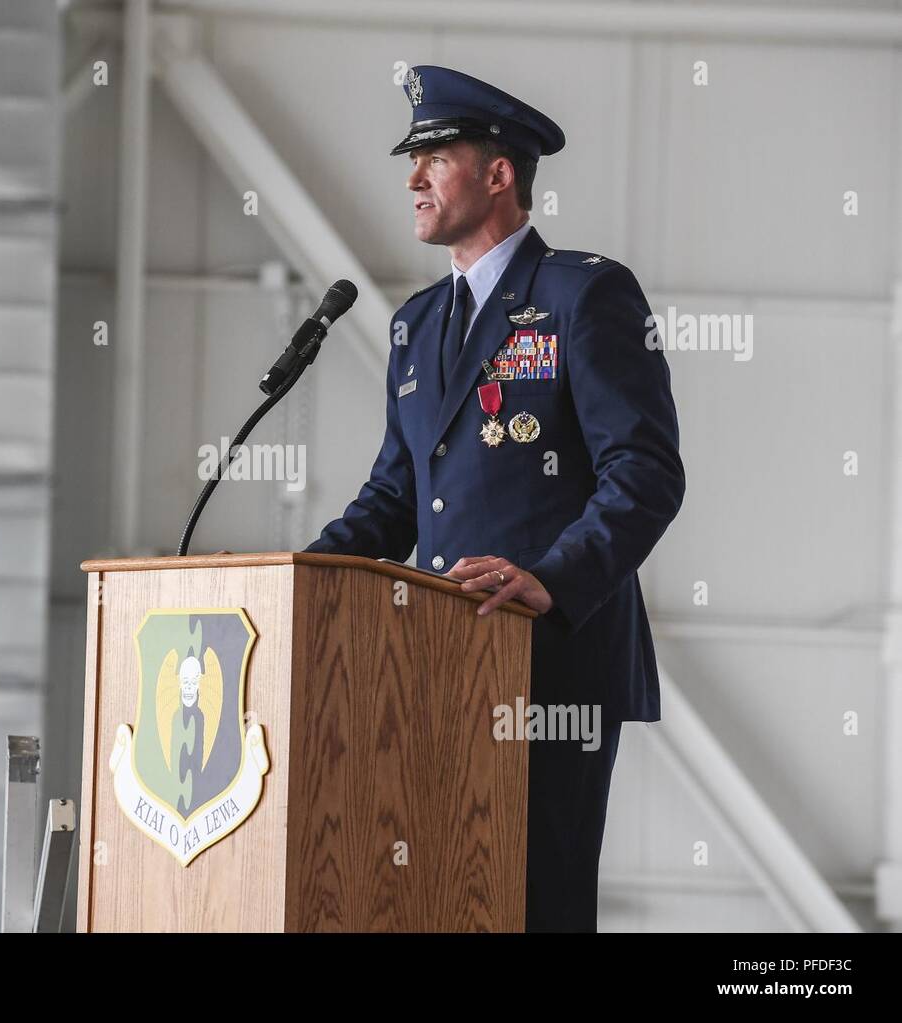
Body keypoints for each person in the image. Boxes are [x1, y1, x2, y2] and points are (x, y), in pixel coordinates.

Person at [303, 65, 686, 931]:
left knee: (535, 906)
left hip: (551, 664)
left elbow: (648, 471)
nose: (411, 179)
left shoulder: (582, 295)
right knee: (440, 901)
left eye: (432, 157)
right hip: (433, 669)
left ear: (498, 172)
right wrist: (296, 572)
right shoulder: (415, 323)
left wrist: (552, 579)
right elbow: (393, 500)